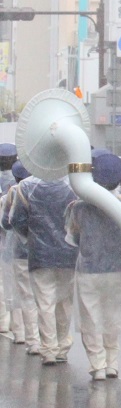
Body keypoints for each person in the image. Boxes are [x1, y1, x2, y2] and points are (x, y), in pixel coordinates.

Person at [65, 155, 121, 380]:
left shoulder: (78, 206)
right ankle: (112, 364)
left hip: (89, 269)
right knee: (112, 317)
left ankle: (97, 365)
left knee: (90, 319)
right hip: (118, 268)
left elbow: (73, 238)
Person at [10, 169, 78, 365]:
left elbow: (16, 220)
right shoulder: (74, 185)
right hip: (69, 252)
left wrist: (33, 236)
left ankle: (48, 348)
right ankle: (62, 347)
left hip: (39, 253)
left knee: (44, 302)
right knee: (65, 302)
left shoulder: (26, 186)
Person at [0, 161, 37, 351]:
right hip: (41, 251)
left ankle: (23, 334)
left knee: (19, 291)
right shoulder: (40, 189)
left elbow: (6, 223)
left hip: (17, 250)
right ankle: (44, 339)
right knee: (41, 295)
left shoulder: (11, 193)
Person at [0, 143, 17, 336]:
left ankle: (3, 322)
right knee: (19, 282)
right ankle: (16, 323)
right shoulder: (22, 182)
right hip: (18, 239)